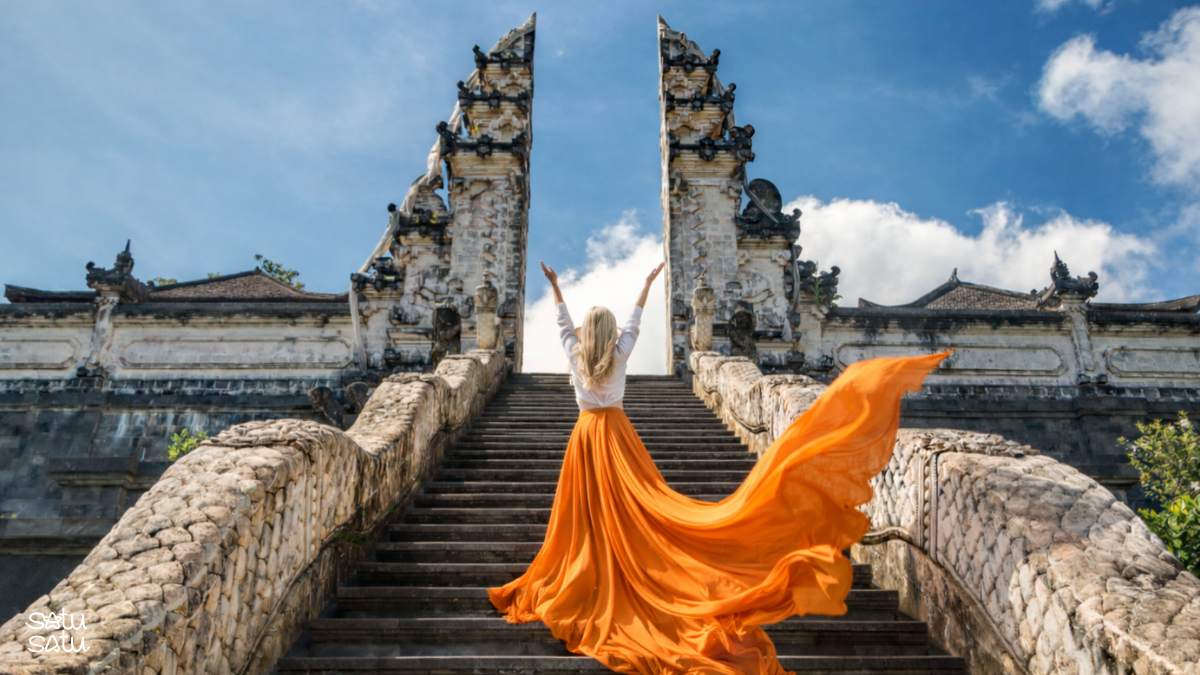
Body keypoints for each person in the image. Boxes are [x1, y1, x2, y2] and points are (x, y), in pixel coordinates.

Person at [489, 260, 949, 675]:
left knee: (587, 518)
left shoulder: (575, 355)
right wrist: (648, 284)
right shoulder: (622, 351)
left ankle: (593, 573)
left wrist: (555, 287)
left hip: (585, 439)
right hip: (618, 436)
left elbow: (562, 325)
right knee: (638, 512)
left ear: (587, 335)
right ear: (610, 335)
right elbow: (635, 321)